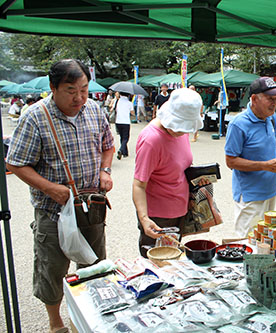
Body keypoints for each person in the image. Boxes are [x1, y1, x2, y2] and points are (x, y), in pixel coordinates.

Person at [6, 59, 114, 333]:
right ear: (53, 88)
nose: (79, 97)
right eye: (70, 90)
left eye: (84, 89)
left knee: (94, 264)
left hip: (91, 206)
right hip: (52, 211)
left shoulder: (94, 110)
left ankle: (90, 315)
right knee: (52, 268)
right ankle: (56, 323)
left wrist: (105, 170)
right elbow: (15, 163)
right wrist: (48, 187)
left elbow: (108, 145)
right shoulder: (35, 116)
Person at [133, 88, 205, 257]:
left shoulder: (180, 133)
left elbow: (179, 164)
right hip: (157, 218)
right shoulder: (152, 140)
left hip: (179, 210)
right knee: (157, 266)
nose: (184, 132)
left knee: (174, 263)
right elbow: (138, 184)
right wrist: (144, 219)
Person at [225, 77, 276, 237]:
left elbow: (272, 141)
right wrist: (264, 165)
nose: (274, 103)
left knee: (266, 239)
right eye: (269, 98)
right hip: (250, 196)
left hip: (271, 190)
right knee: (247, 241)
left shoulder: (270, 117)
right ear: (254, 99)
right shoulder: (238, 124)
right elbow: (230, 161)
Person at [115, 92, 134, 160]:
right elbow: (132, 112)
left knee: (121, 137)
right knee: (126, 138)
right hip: (125, 122)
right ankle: (121, 149)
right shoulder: (129, 103)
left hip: (118, 121)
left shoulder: (118, 101)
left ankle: (125, 152)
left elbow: (116, 110)